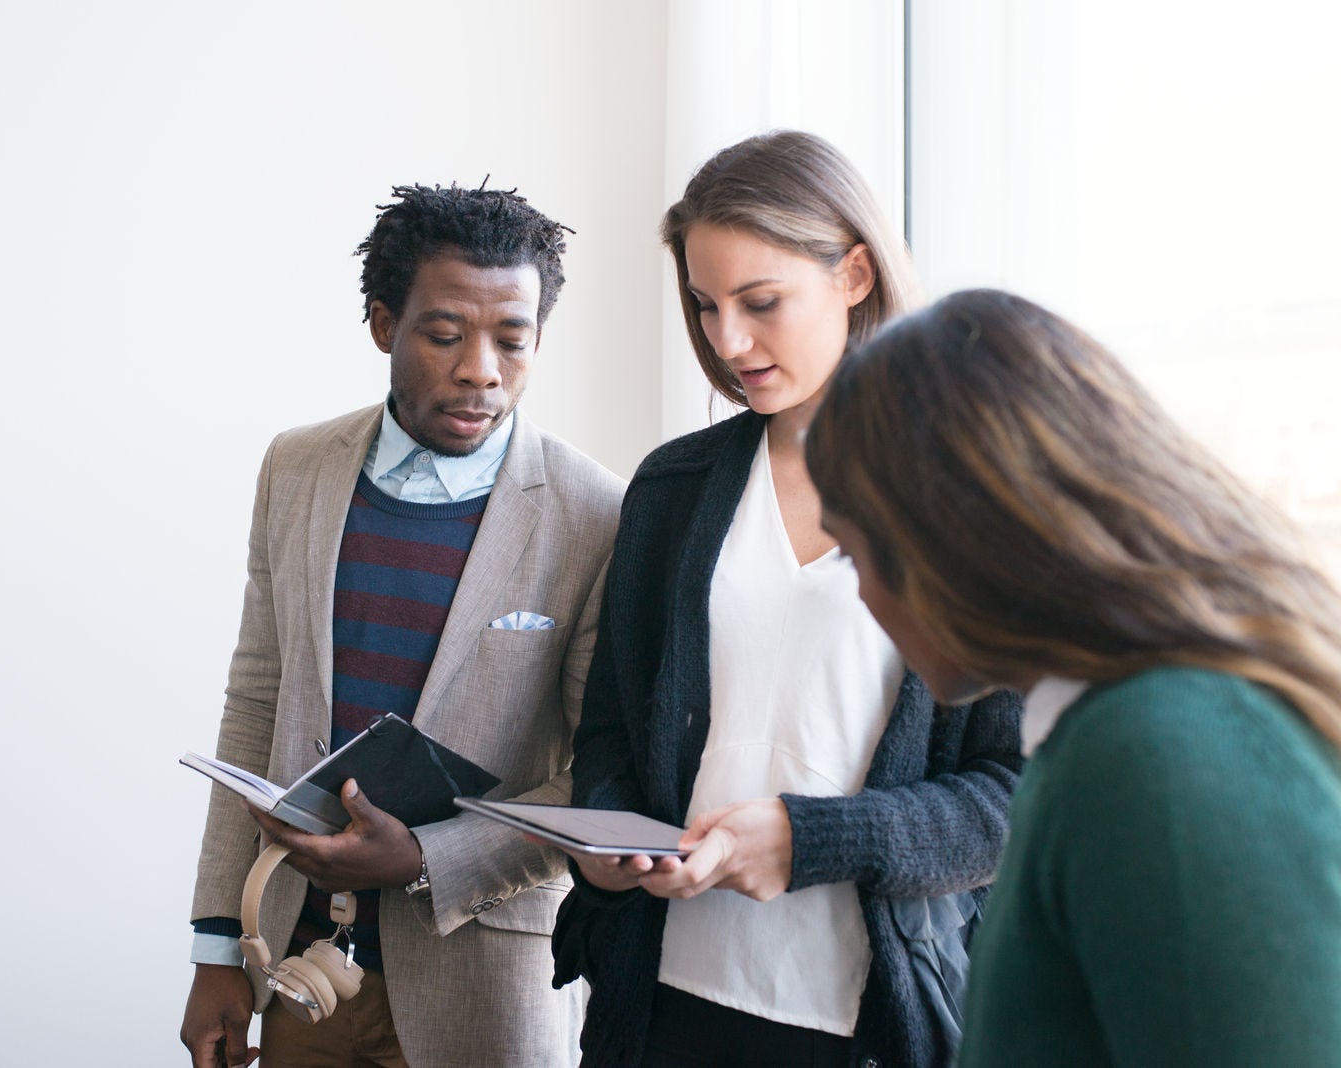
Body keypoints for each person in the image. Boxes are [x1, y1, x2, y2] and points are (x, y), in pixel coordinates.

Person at [550, 130, 1024, 1068]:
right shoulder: (672, 488)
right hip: (663, 1001)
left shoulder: (977, 498)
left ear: (854, 273)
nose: (727, 342)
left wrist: (814, 840)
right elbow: (607, 730)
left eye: (761, 303)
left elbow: (1013, 798)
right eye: (705, 305)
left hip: (869, 1019)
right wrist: (604, 843)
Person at [804, 287, 1341, 1067]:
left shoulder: (1159, 753)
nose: (860, 597)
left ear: (948, 540)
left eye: (854, 555)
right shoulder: (1122, 733)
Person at [181, 183, 625, 1068]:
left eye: (513, 340)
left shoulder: (595, 513)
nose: (482, 371)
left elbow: (598, 783)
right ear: (385, 325)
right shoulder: (298, 467)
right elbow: (256, 703)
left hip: (485, 990)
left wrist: (426, 855)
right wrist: (217, 949)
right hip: (299, 971)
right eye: (445, 334)